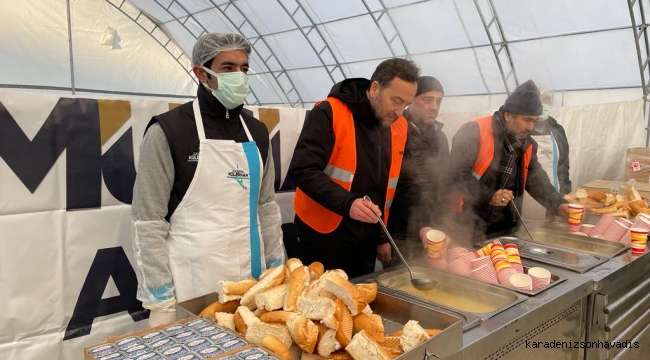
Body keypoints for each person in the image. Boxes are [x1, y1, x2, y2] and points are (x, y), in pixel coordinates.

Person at [132, 33, 285, 327]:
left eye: (244, 68)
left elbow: (265, 207)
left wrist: (277, 270)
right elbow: (148, 220)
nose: (238, 76)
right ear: (201, 73)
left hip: (252, 287)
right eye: (228, 68)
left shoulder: (257, 132)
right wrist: (159, 297)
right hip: (194, 288)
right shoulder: (169, 131)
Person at [288, 58, 420, 278]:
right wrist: (348, 203)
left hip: (365, 242)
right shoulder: (330, 111)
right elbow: (302, 169)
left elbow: (389, 187)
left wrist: (382, 237)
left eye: (406, 105)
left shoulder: (399, 126)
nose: (399, 111)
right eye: (396, 100)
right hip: (324, 238)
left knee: (357, 306)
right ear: (375, 88)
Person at [449, 80, 569, 242]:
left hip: (507, 224)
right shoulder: (475, 131)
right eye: (526, 120)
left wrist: (559, 204)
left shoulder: (526, 143)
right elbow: (457, 173)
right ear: (508, 115)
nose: (530, 127)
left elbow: (536, 181)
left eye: (534, 121)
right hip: (470, 221)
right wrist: (490, 195)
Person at [387, 76, 450, 263]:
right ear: (411, 100)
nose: (434, 106)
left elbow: (445, 183)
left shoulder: (441, 138)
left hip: (434, 229)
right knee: (401, 280)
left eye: (439, 101)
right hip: (402, 230)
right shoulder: (395, 132)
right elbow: (400, 185)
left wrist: (447, 223)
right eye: (427, 99)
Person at [522, 90, 572, 219]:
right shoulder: (522, 130)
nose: (544, 105)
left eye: (547, 101)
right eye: (541, 100)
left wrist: (564, 194)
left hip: (553, 193)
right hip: (528, 194)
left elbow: (563, 164)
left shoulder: (557, 129)